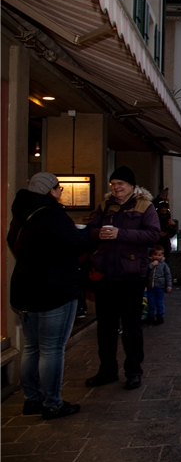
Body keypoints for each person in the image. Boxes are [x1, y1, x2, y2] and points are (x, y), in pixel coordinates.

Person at [7, 172, 89, 419]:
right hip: (55, 290)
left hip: (24, 288)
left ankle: (32, 399)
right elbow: (77, 244)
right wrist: (86, 233)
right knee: (52, 348)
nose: (61, 192)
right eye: (59, 187)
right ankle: (52, 403)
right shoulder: (52, 215)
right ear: (50, 190)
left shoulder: (19, 217)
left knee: (32, 347)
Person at [85, 166, 160, 390]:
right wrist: (98, 233)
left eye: (121, 184)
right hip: (105, 274)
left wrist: (120, 233)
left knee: (131, 326)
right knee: (105, 327)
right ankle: (107, 370)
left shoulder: (145, 206)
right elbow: (89, 230)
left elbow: (153, 234)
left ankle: (133, 371)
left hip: (131, 275)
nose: (116, 188)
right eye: (113, 184)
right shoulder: (104, 206)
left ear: (132, 186)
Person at [147, 245, 172, 325]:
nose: (157, 257)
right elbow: (146, 271)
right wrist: (151, 265)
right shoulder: (150, 263)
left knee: (159, 302)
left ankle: (160, 316)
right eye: (155, 255)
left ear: (162, 256)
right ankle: (151, 316)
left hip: (160, 287)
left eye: (159, 255)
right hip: (151, 286)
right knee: (151, 302)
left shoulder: (164, 265)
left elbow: (168, 276)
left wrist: (168, 286)